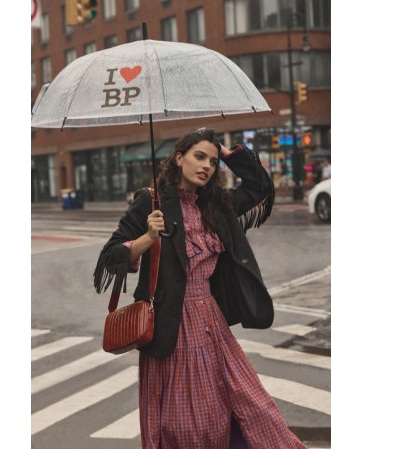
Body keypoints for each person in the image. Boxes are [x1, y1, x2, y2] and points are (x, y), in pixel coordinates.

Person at [94, 129, 308, 448]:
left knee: (252, 403)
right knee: (186, 422)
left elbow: (260, 186)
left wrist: (227, 151)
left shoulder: (217, 205)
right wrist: (146, 238)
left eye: (212, 160)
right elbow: (110, 258)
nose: (207, 165)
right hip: (170, 325)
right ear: (178, 158)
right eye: (198, 156)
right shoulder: (150, 202)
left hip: (211, 320)